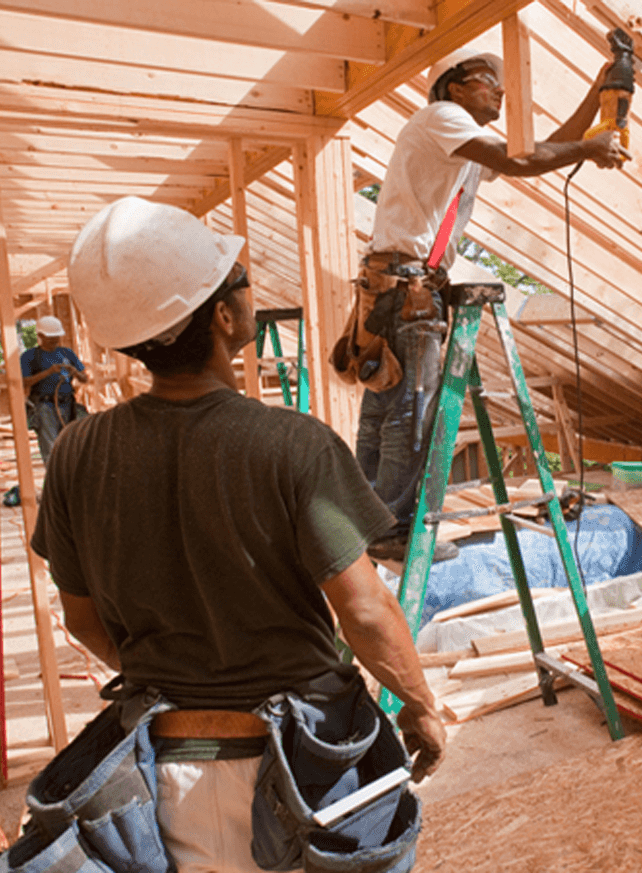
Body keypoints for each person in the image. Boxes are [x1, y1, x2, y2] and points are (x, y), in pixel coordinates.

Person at [32, 196, 445, 873]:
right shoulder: (292, 445)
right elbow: (366, 610)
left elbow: (83, 621)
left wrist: (182, 671)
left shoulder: (77, 451)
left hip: (160, 775)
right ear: (224, 316)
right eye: (240, 279)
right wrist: (422, 705)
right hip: (300, 773)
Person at [333, 47, 630, 562]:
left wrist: (595, 94)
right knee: (410, 412)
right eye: (490, 80)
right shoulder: (443, 119)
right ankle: (391, 529)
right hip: (407, 289)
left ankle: (363, 524)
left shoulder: (461, 145)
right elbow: (520, 161)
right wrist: (592, 147)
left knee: (385, 407)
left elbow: (544, 148)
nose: (501, 90)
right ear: (454, 86)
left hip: (395, 284)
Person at [22, 315, 89, 466]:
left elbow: (85, 379)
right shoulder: (30, 356)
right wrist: (48, 372)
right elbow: (24, 382)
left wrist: (76, 373)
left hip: (68, 404)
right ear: (40, 335)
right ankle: (56, 484)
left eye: (56, 337)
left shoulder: (67, 353)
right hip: (45, 407)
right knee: (51, 448)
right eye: (50, 337)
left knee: (72, 445)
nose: (54, 341)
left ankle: (71, 481)